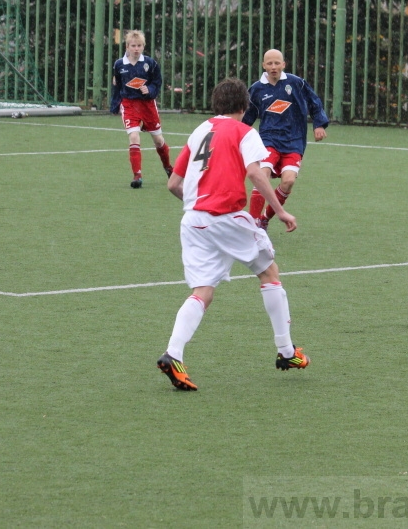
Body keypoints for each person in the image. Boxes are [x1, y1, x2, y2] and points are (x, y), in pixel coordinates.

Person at [157, 77, 310, 392]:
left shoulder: (200, 130)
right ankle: (286, 352)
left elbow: (173, 184)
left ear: (216, 105)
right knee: (269, 273)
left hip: (193, 222)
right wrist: (279, 211)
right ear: (245, 106)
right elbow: (255, 172)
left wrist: (196, 205)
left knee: (203, 291)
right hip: (227, 217)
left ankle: (173, 353)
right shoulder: (245, 131)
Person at [241, 49, 330, 229]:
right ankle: (252, 223)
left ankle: (265, 218)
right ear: (263, 65)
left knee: (288, 181)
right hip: (268, 140)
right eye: (269, 64)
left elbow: (314, 102)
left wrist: (319, 124)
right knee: (262, 174)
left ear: (283, 64)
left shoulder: (296, 83)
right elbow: (246, 117)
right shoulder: (257, 88)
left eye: (277, 63)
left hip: (294, 141)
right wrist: (237, 135)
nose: (273, 67)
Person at [109, 30, 173, 188]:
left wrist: (149, 90)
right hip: (129, 104)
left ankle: (168, 168)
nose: (136, 48)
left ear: (143, 46)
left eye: (139, 46)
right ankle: (137, 175)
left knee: (158, 140)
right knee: (134, 137)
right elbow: (116, 85)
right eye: (133, 46)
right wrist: (115, 104)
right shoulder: (119, 64)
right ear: (127, 46)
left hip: (147, 105)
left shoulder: (150, 63)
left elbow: (157, 82)